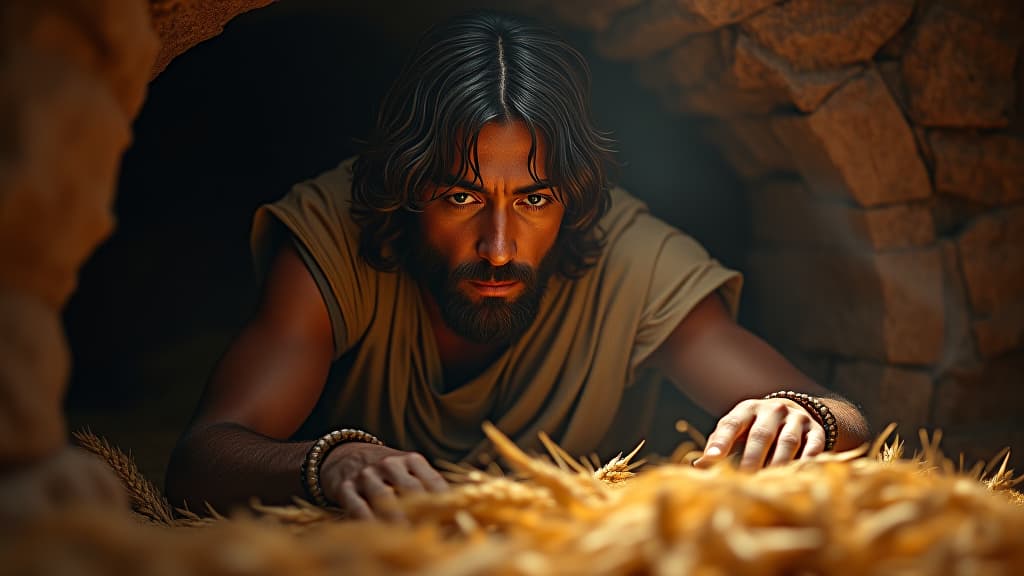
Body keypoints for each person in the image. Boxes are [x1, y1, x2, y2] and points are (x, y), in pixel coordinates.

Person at [165, 11, 869, 521]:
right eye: (461, 196)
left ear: (575, 199)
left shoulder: (629, 255)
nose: (499, 244)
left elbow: (842, 418)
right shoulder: (334, 236)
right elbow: (201, 460)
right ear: (408, 193)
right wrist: (331, 462)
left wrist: (797, 416)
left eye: (534, 198)